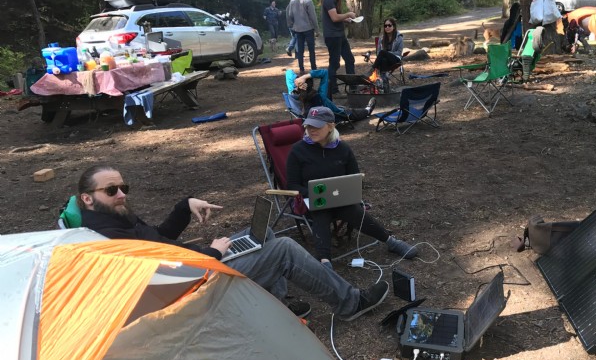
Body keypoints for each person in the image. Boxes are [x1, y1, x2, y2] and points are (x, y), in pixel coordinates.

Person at [75, 165, 389, 322]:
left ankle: (275, 304)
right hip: (195, 286)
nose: (122, 195)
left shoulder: (114, 219)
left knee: (262, 235)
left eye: (123, 187)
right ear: (88, 198)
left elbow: (160, 239)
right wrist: (212, 254)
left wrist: (185, 206)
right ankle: (350, 303)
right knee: (283, 249)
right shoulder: (107, 239)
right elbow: (157, 281)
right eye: (111, 190)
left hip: (197, 266)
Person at [286, 107, 418, 269]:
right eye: (308, 126)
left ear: (331, 126)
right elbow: (292, 184)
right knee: (320, 212)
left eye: (317, 126)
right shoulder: (298, 151)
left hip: (339, 199)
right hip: (312, 200)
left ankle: (391, 242)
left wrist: (345, 190)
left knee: (353, 210)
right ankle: (324, 261)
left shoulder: (342, 149)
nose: (311, 130)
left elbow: (354, 178)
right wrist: (314, 192)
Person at [286, 68, 375, 123]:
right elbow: (324, 72)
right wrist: (305, 77)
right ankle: (367, 110)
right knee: (349, 112)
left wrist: (297, 81)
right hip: (335, 115)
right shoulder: (319, 97)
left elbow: (288, 72)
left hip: (316, 116)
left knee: (340, 107)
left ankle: (364, 109)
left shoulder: (294, 93)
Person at [320, 0, 357, 97]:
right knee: (335, 63)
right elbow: (334, 17)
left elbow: (337, 18)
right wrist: (348, 14)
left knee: (350, 59)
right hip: (332, 36)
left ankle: (353, 87)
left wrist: (347, 20)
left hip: (340, 34)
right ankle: (333, 90)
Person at [287, 0, 318, 74]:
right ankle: (313, 68)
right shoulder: (308, 1)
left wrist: (292, 25)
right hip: (308, 28)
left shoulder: (292, 1)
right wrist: (316, 29)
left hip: (297, 29)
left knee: (300, 50)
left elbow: (290, 15)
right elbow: (313, 17)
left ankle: (301, 68)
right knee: (311, 49)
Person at [370, 17, 404, 85]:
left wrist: (387, 53)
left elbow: (399, 52)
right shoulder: (382, 38)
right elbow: (378, 53)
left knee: (383, 52)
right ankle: (385, 83)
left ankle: (372, 69)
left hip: (395, 59)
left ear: (393, 26)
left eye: (389, 25)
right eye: (385, 26)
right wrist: (385, 55)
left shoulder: (399, 37)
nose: (387, 27)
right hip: (384, 61)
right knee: (383, 60)